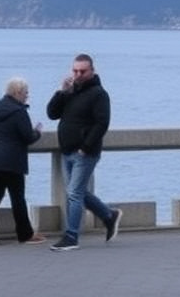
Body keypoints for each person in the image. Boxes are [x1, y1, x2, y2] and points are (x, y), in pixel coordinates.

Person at [46, 54, 122, 251]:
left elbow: (102, 123)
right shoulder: (70, 91)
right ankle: (108, 215)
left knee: (73, 193)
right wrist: (61, 92)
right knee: (78, 192)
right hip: (67, 150)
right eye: (75, 71)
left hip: (85, 153)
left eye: (82, 71)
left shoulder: (99, 94)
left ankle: (71, 236)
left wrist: (85, 147)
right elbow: (52, 113)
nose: (78, 75)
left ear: (92, 71)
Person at [0, 77, 47, 245]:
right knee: (18, 198)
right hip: (12, 161)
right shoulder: (19, 111)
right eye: (26, 93)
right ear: (17, 93)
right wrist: (37, 132)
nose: (27, 97)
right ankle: (25, 234)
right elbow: (27, 137)